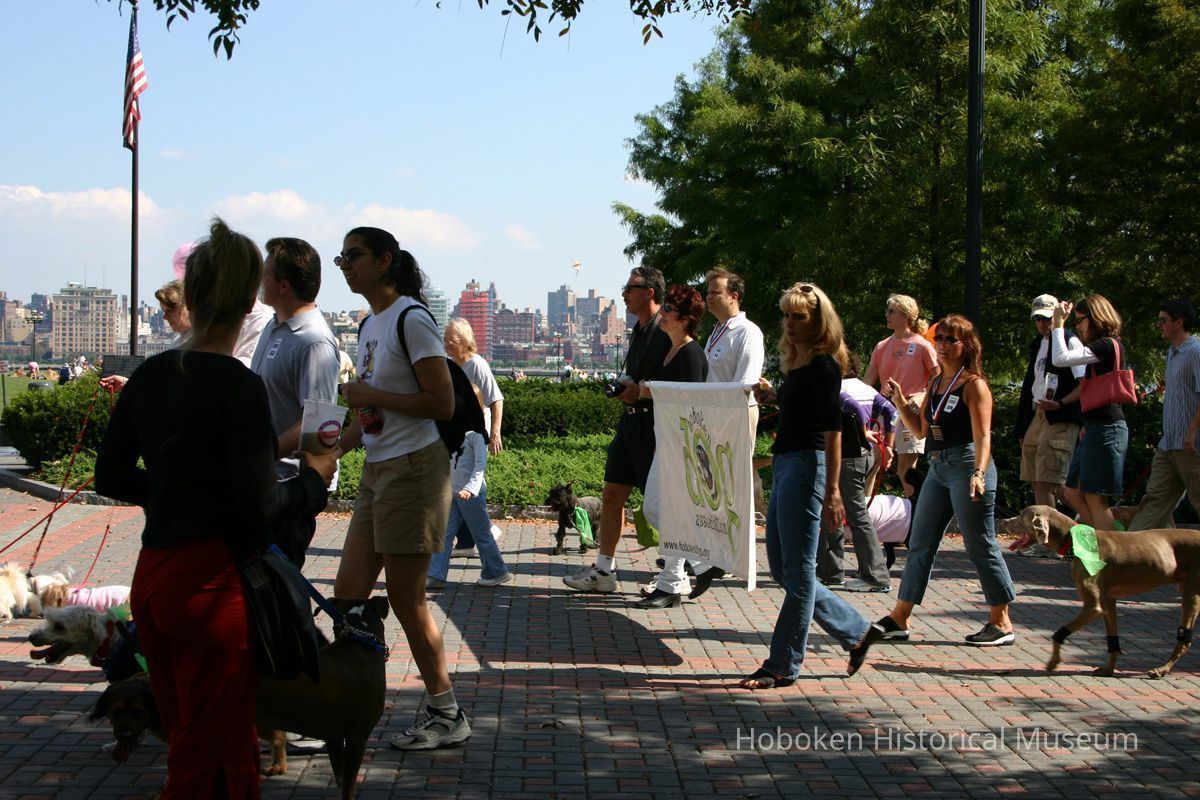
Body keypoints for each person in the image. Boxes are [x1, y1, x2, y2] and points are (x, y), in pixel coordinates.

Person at [93, 218, 339, 798]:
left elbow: (109, 475)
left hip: (153, 579)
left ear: (195, 296)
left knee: (186, 731)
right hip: (209, 590)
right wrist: (313, 482)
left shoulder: (148, 376)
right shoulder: (237, 387)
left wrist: (171, 491)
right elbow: (258, 507)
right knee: (217, 752)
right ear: (245, 300)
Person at [330, 226, 471, 751]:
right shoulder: (370, 325)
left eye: (354, 256)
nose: (345, 265)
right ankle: (346, 698)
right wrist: (331, 452)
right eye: (341, 257)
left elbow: (442, 403)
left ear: (384, 261)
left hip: (415, 470)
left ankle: (445, 711)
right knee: (347, 595)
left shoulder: (411, 318)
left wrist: (373, 393)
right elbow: (372, 411)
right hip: (378, 468)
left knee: (407, 600)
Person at [740, 282, 884, 688]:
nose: (788, 323)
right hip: (787, 463)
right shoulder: (799, 363)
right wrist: (774, 398)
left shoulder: (824, 365)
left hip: (808, 465)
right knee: (785, 569)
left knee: (799, 572)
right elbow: (800, 410)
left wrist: (834, 489)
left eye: (798, 316)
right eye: (785, 314)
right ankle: (856, 631)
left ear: (818, 322)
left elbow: (833, 429)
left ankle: (782, 663)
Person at [876, 314, 1017, 647]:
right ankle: (900, 617)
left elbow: (984, 436)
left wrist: (979, 473)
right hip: (938, 467)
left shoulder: (973, 384)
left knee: (980, 544)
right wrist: (898, 400)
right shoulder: (937, 382)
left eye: (950, 340)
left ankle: (1002, 621)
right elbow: (923, 429)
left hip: (967, 465)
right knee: (920, 541)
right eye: (939, 339)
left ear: (966, 345)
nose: (941, 345)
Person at [564, 267, 672, 594]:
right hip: (630, 423)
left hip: (653, 427)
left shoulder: (664, 331)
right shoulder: (636, 331)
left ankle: (677, 569)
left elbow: (674, 382)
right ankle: (604, 570)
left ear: (650, 291)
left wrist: (640, 391)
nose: (624, 293)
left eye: (630, 287)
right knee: (612, 495)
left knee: (660, 505)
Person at [250, 237, 342, 567]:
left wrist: (261, 454)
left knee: (276, 596)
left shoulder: (314, 342)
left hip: (287, 490)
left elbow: (318, 426)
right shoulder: (274, 328)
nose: (261, 280)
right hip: (263, 480)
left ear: (284, 284)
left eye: (266, 274)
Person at [679, 268, 767, 600]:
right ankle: (712, 555)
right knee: (710, 489)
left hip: (733, 418)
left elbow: (746, 383)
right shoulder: (716, 331)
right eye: (708, 291)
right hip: (708, 421)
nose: (708, 297)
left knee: (731, 487)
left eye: (715, 292)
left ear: (734, 296)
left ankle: (735, 557)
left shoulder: (748, 332)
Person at [633, 284, 710, 608]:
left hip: (681, 444)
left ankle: (673, 581)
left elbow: (692, 403)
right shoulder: (670, 347)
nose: (661, 314)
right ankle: (698, 565)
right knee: (655, 508)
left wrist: (654, 392)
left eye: (668, 310)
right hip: (664, 440)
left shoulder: (692, 353)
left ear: (684, 318)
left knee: (666, 511)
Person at [817, 354, 897, 592]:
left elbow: (850, 407)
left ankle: (875, 576)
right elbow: (892, 412)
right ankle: (831, 572)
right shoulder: (867, 388)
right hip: (863, 455)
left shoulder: (837, 388)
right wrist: (889, 446)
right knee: (838, 511)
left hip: (848, 455)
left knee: (855, 514)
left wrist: (861, 430)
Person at [1050, 294, 1130, 531]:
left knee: (1096, 498)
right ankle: (1105, 543)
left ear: (1094, 318)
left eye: (1080, 320)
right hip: (1095, 427)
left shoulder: (1106, 345)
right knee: (1072, 493)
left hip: (1108, 428)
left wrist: (1058, 324)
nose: (1077, 326)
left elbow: (1060, 358)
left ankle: (1111, 553)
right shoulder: (1102, 347)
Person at [1015, 293, 1085, 556]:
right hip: (1038, 414)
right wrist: (1022, 427)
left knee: (1051, 480)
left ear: (1057, 316)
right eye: (1038, 320)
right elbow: (1029, 384)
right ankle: (1044, 537)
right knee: (1036, 478)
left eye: (1047, 318)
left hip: (1061, 416)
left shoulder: (1069, 340)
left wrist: (1063, 403)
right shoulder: (1038, 343)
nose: (1043, 325)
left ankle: (1063, 536)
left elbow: (1083, 381)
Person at [427, 386, 512, 588]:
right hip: (453, 491)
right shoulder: (452, 429)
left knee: (482, 535)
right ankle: (436, 574)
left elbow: (480, 466)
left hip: (471, 494)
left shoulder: (477, 434)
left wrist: (471, 489)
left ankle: (496, 571)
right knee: (444, 534)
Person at [1129, 300, 1200, 530]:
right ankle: (1131, 560)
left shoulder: (1196, 352)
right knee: (1153, 503)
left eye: (1163, 320)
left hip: (1191, 447)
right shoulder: (1171, 353)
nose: (1158, 325)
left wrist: (1192, 432)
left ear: (1179, 322)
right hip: (1168, 445)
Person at [443, 317, 506, 553]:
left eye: (453, 339)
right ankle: (470, 539)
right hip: (456, 436)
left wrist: (495, 433)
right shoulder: (450, 365)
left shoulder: (477, 364)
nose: (448, 343)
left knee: (469, 483)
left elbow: (496, 399)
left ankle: (485, 531)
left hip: (475, 435)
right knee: (461, 484)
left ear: (466, 340)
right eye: (446, 339)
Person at [865, 294, 938, 498]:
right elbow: (867, 382)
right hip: (884, 410)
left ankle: (914, 516)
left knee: (905, 470)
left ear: (905, 316)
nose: (886, 315)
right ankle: (862, 516)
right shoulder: (882, 346)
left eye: (891, 311)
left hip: (910, 411)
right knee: (872, 462)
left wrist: (922, 397)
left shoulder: (923, 346)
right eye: (887, 310)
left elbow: (938, 377)